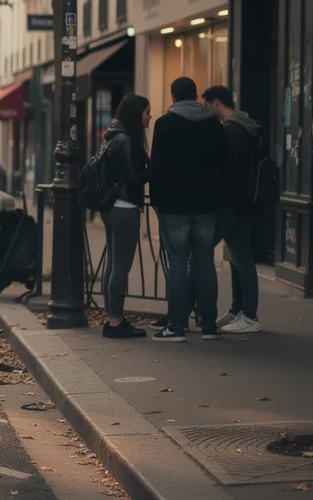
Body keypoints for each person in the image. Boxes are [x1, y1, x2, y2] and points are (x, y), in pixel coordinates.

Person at [148, 77, 229, 343]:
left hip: (174, 204)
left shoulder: (164, 124)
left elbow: (156, 167)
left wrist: (157, 201)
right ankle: (208, 325)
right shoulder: (213, 124)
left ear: (172, 98)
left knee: (178, 264)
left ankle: (176, 326)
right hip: (206, 204)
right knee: (205, 261)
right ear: (196, 96)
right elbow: (223, 163)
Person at [201, 85, 264, 334]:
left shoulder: (230, 130)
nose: (206, 111)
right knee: (241, 257)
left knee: (203, 252)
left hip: (229, 204)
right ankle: (241, 310)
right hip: (245, 202)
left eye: (207, 105)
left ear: (216, 103)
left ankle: (247, 314)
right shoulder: (247, 126)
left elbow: (226, 170)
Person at [99, 94, 152, 339]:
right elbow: (132, 179)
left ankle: (111, 316)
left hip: (111, 206)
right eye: (146, 112)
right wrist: (154, 170)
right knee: (121, 265)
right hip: (124, 206)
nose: (149, 116)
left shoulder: (112, 135)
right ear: (136, 113)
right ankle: (116, 321)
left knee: (113, 264)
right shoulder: (126, 140)